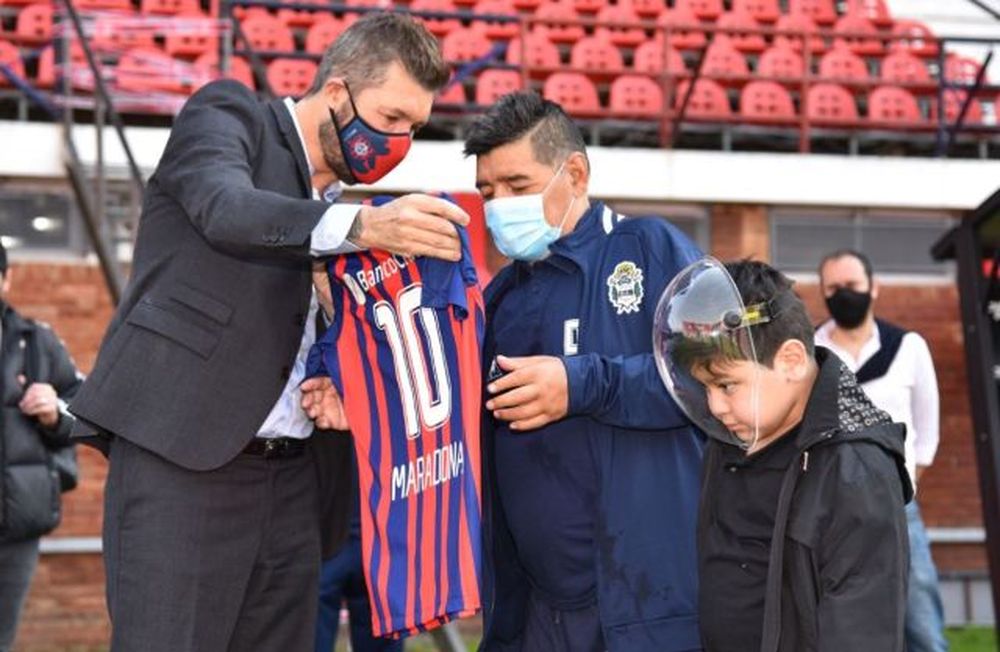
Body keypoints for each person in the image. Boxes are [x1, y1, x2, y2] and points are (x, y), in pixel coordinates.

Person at [68, 13, 468, 652]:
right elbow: (225, 208)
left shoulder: (343, 220)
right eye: (391, 118)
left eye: (414, 129)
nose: (400, 142)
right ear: (336, 93)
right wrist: (360, 228)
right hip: (185, 463)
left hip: (297, 481)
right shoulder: (231, 117)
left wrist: (341, 379)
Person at [464, 91, 705, 652]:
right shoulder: (501, 296)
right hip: (535, 608)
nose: (499, 206)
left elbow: (712, 377)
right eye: (487, 192)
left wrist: (582, 384)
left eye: (517, 186)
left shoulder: (649, 249)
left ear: (574, 173)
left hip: (645, 605)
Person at [653, 258, 913, 652]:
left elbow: (862, 630)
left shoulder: (856, 471)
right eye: (705, 388)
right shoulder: (733, 439)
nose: (716, 407)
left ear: (790, 361)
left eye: (726, 385)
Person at [815, 249, 948, 652]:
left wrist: (903, 485)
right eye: (833, 287)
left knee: (921, 625)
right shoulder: (808, 351)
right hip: (830, 512)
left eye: (851, 285)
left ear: (874, 287)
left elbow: (927, 432)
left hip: (898, 508)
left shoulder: (908, 347)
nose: (843, 294)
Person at [0, 243, 83, 652]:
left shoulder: (37, 341)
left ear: (6, 279)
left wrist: (54, 413)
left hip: (16, 523)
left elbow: (84, 411)